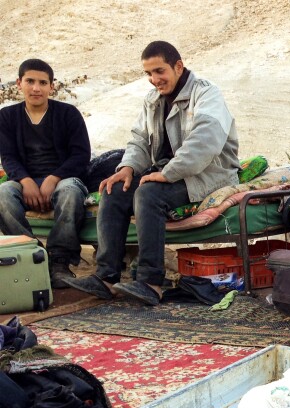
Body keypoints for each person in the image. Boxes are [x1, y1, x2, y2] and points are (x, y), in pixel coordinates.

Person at [65, 41, 240, 305]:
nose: (154, 79)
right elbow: (139, 140)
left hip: (208, 174)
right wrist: (127, 168)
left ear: (178, 66)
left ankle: (150, 282)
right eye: (148, 73)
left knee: (148, 194)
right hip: (170, 172)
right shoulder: (152, 100)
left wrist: (168, 173)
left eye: (159, 71)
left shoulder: (206, 94)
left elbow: (205, 140)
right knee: (115, 190)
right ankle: (106, 277)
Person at [0, 59, 90, 288]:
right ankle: (33, 255)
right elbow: (8, 157)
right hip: (25, 181)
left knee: (70, 192)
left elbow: (81, 155)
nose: (36, 88)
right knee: (3, 194)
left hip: (63, 179)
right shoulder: (7, 116)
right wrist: (26, 180)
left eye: (42, 82)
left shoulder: (68, 114)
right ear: (19, 83)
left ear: (52, 86)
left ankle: (59, 261)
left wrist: (54, 177)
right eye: (30, 81)